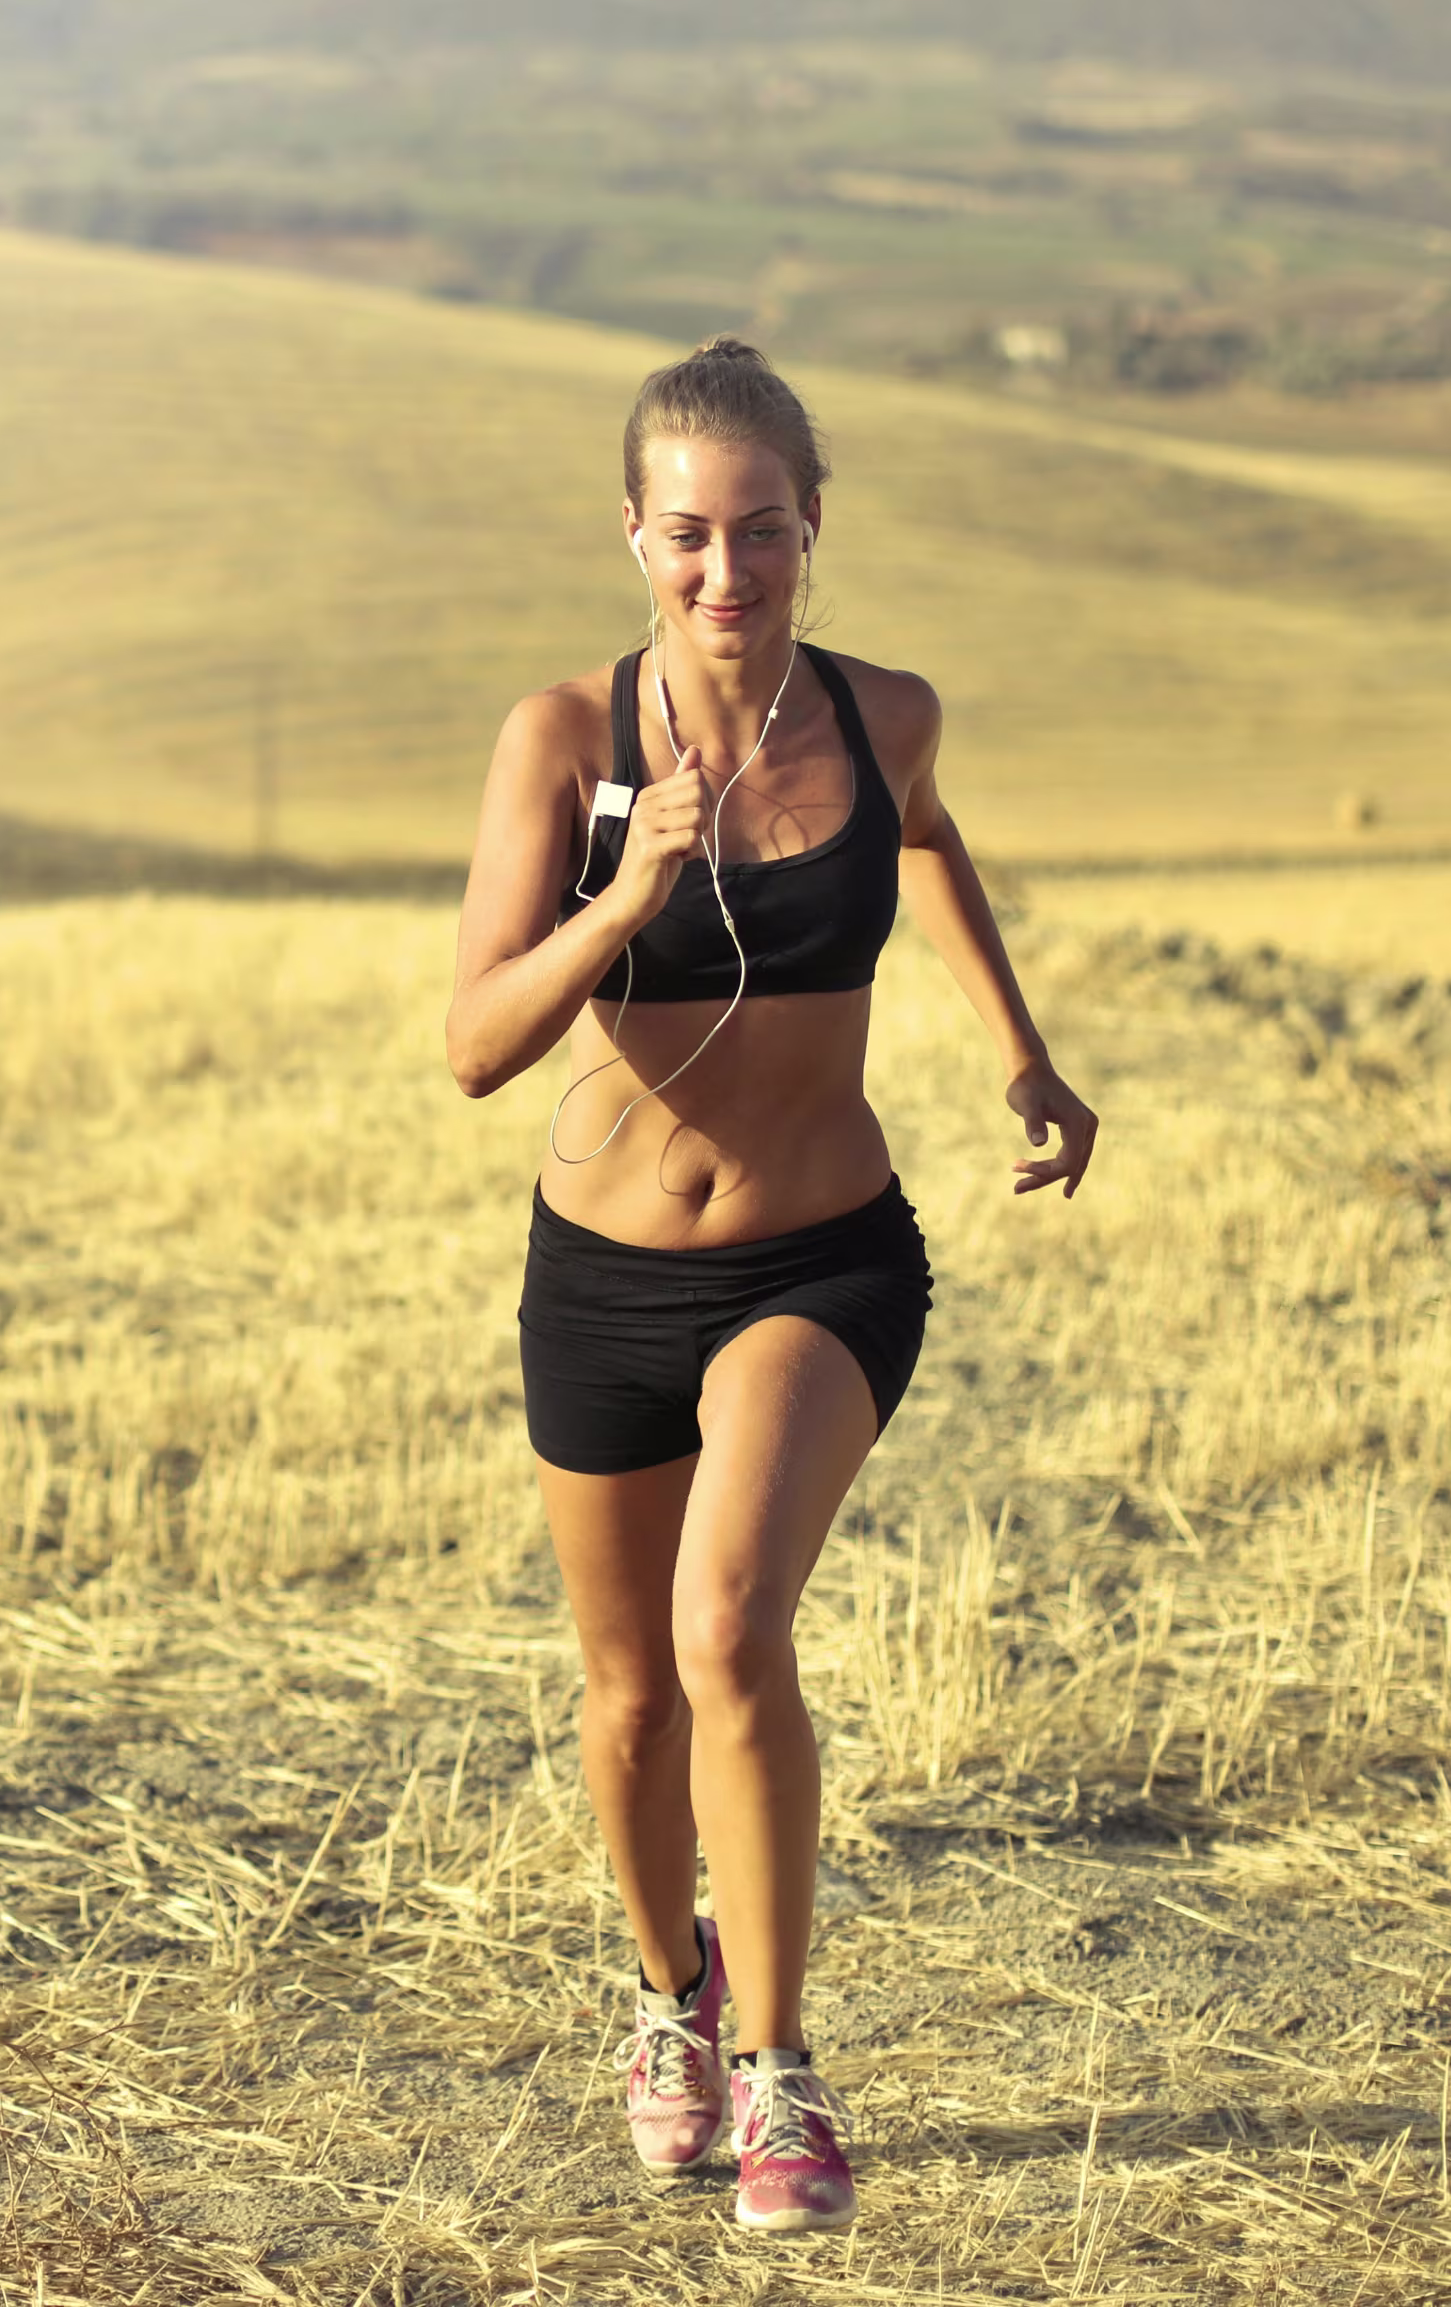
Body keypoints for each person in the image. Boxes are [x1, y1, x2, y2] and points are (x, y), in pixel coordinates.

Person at [442, 338, 1097, 2233]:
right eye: (688, 536)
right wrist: (622, 900)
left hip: (824, 1256)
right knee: (633, 1689)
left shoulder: (886, 714)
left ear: (819, 526)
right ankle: (669, 2002)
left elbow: (933, 842)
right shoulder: (563, 742)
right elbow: (476, 1044)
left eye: (764, 531)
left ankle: (784, 2067)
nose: (726, 573)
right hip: (604, 1280)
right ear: (633, 537)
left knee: (731, 1631)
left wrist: (1020, 1053)